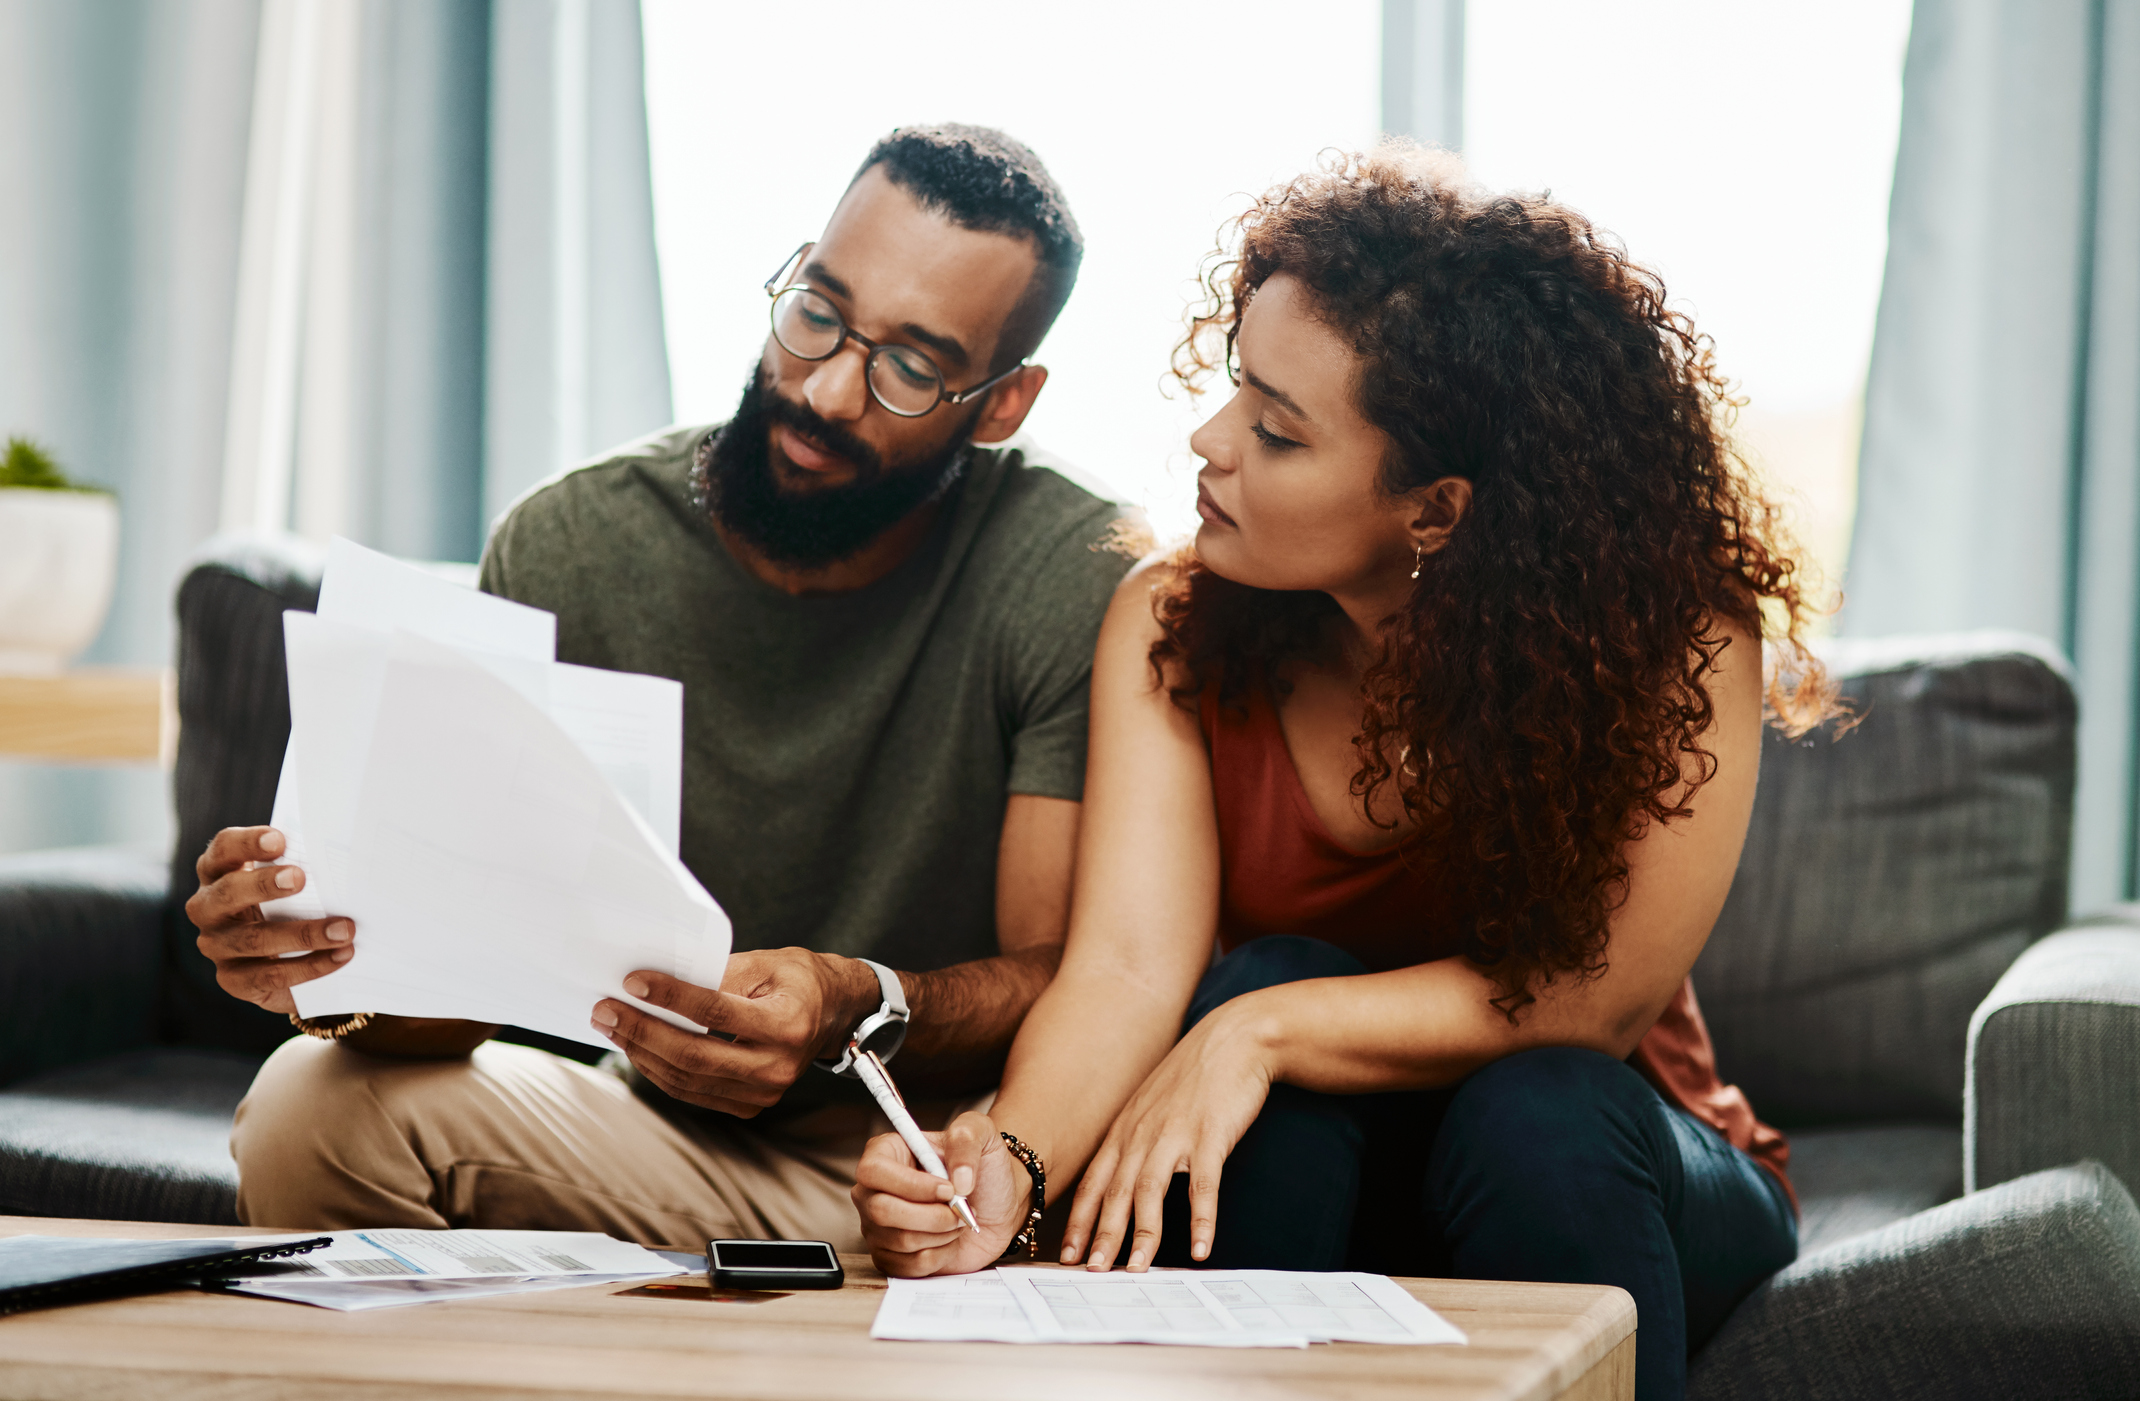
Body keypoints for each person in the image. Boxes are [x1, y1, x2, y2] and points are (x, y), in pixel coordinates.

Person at [851, 146, 1835, 1401]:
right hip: (1325, 1185)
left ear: (1436, 510)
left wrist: (1257, 1031)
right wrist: (1010, 1165)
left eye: (1273, 430)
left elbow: (1591, 1004)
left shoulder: (1680, 641)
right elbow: (1128, 967)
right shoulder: (1170, 620)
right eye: (1231, 391)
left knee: (1524, 1101)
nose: (1208, 443)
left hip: (1604, 1168)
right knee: (1265, 985)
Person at [187, 124, 1135, 1252]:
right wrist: (330, 962)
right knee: (311, 1104)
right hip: (649, 1136)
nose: (827, 390)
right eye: (818, 311)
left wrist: (850, 1003)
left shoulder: (1068, 572)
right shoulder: (573, 544)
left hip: (927, 1161)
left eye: (914, 368)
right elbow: (452, 1010)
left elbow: (1063, 976)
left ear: (1002, 403)